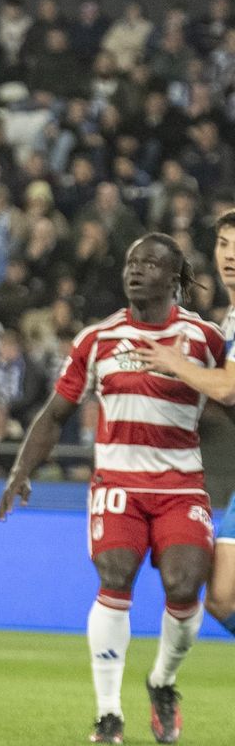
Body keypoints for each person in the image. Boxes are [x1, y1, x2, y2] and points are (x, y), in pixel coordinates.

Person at [0, 233, 223, 746]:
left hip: (181, 484)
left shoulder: (204, 340)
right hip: (117, 482)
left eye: (149, 263)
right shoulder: (96, 339)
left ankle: (163, 682)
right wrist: (21, 470)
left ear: (174, 277)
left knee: (185, 586)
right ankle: (108, 713)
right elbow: (55, 415)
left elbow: (227, 403)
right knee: (115, 575)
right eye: (130, 261)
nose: (135, 270)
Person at [135, 210, 235, 650]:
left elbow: (229, 388)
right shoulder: (230, 317)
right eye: (223, 244)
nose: (229, 256)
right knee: (221, 597)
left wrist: (176, 363)